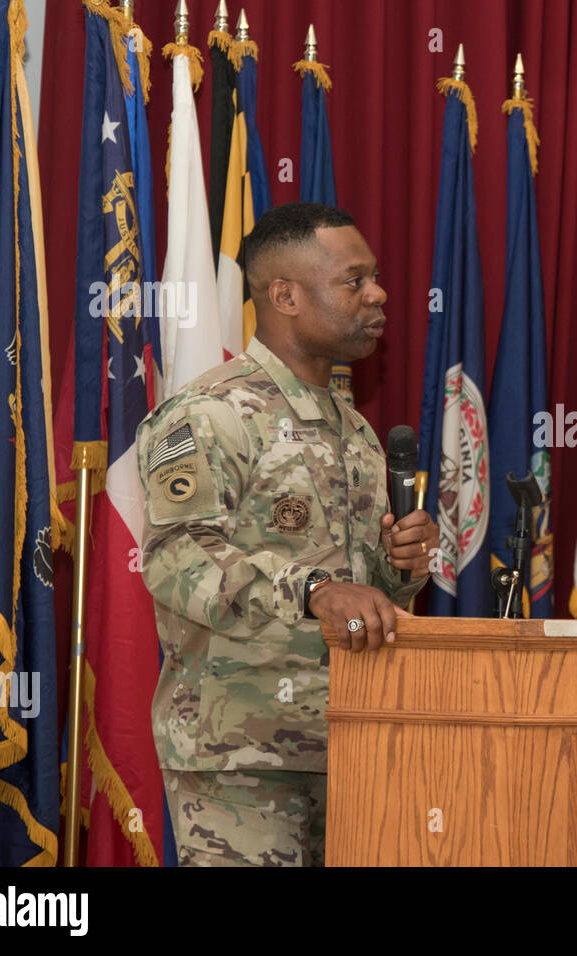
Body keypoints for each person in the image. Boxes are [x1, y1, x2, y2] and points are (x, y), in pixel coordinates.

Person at [136, 202, 439, 866]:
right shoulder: (211, 414)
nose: (378, 294)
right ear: (284, 295)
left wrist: (400, 567)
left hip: (354, 742)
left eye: (374, 277)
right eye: (353, 281)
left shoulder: (354, 430)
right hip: (242, 756)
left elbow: (362, 594)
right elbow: (176, 557)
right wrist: (315, 590)